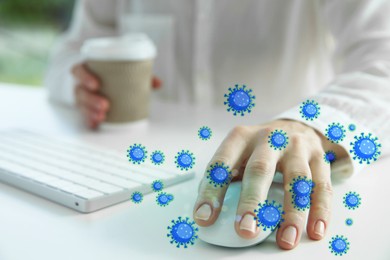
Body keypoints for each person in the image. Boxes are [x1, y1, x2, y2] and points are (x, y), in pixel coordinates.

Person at [45, 0, 390, 250]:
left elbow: (382, 58)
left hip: (285, 163)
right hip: (133, 169)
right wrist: (79, 81)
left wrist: (312, 124)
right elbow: (70, 51)